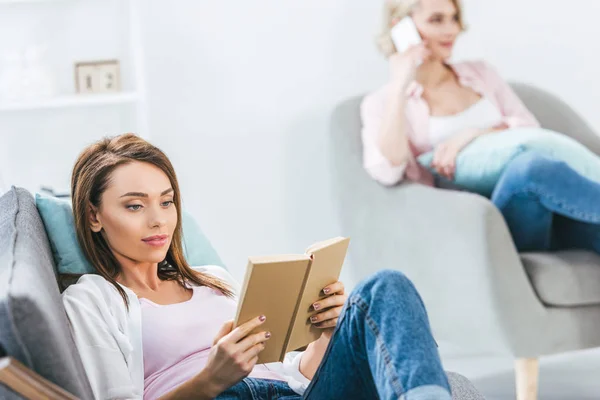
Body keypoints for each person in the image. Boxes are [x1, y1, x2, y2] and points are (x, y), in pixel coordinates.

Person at [62, 133, 451, 399]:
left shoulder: (212, 280)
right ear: (94, 215)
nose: (158, 219)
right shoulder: (92, 299)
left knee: (383, 288)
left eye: (166, 201)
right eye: (135, 205)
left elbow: (296, 375)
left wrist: (326, 335)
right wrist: (211, 380)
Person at [362, 0, 600, 253]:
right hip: (494, 222)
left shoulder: (480, 74)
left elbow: (530, 130)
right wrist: (400, 84)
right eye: (436, 20)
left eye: (453, 18)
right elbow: (387, 171)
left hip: (562, 211)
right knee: (530, 168)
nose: (451, 30)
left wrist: (473, 135)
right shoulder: (383, 103)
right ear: (401, 27)